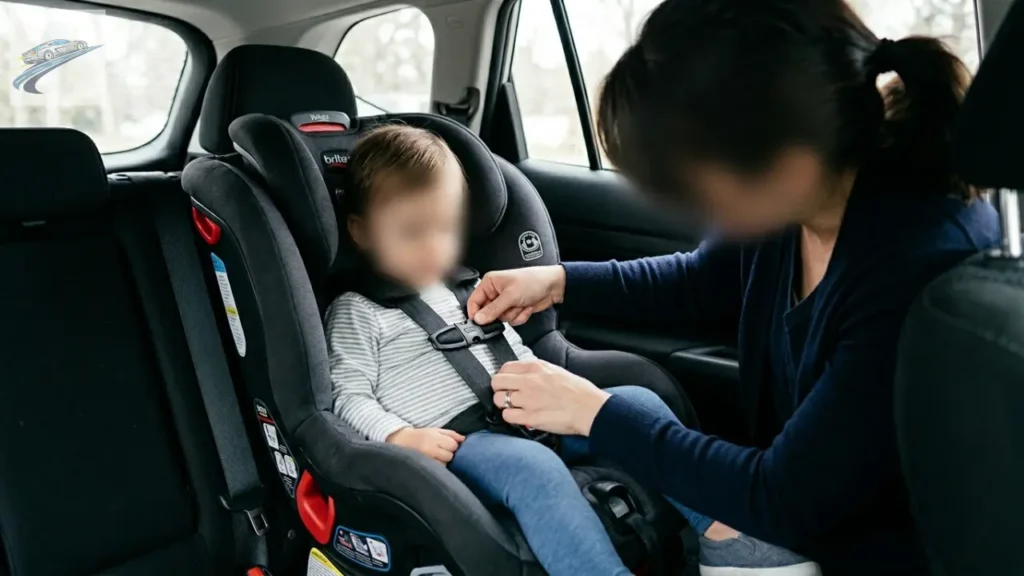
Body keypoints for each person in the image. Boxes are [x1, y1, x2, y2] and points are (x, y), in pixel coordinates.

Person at [467, 1, 1001, 575]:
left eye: (686, 180)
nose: (682, 202)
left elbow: (785, 499)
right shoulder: (800, 206)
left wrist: (596, 413)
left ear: (781, 153)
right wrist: (560, 281)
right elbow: (704, 280)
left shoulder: (914, 272)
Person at [329, 124, 664, 576]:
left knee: (636, 406)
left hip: (528, 412)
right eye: (412, 232)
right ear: (362, 232)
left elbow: (510, 350)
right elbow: (348, 396)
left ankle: (723, 532)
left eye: (445, 229)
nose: (434, 246)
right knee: (535, 470)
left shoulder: (466, 286)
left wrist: (566, 395)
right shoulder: (358, 311)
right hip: (460, 441)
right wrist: (400, 437)